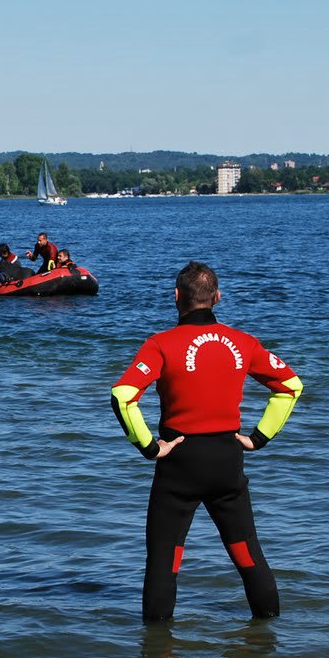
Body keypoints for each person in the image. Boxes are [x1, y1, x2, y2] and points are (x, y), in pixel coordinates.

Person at [110, 261, 305, 623]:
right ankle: (268, 651)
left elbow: (123, 395)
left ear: (176, 297)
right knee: (248, 555)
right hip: (227, 461)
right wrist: (258, 438)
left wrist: (150, 447)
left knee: (164, 562)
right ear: (217, 298)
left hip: (179, 461)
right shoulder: (244, 343)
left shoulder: (160, 345)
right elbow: (291, 386)